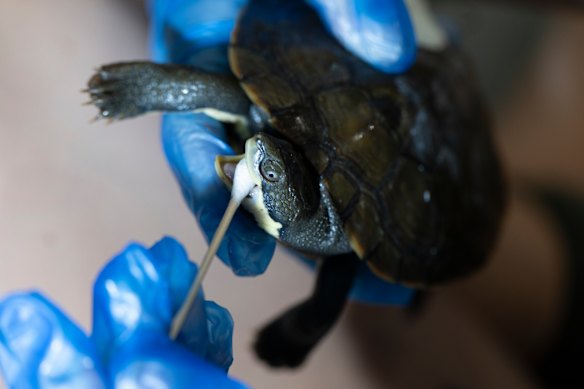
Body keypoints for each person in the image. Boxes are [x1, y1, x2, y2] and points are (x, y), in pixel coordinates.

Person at [0, 0, 419, 387]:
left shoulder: (341, 241)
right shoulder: (288, 168)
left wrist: (300, 331)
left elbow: (335, 281)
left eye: (269, 172)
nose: (261, 148)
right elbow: (233, 98)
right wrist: (152, 89)